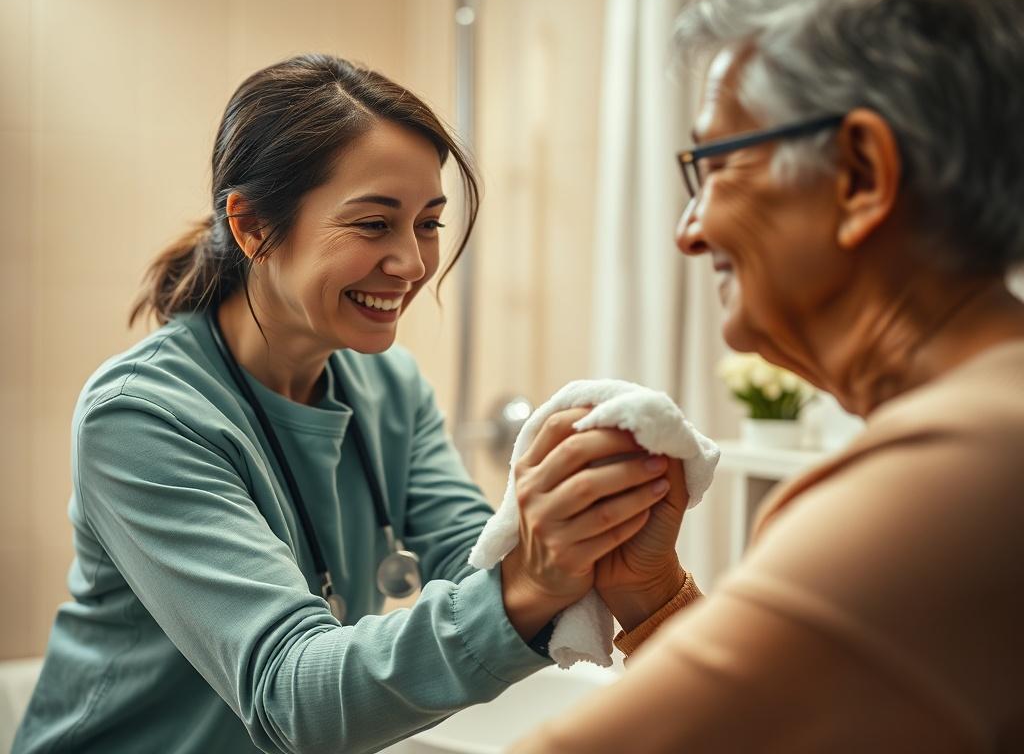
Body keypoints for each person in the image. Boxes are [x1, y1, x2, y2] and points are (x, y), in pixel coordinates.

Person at [12, 54, 687, 754]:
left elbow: (475, 558)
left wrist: (590, 516)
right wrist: (530, 581)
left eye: (428, 223)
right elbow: (290, 696)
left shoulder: (391, 388)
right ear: (251, 228)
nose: (411, 262)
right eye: (373, 225)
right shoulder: (142, 417)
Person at [513, 0, 1024, 751]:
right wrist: (653, 600)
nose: (688, 231)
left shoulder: (965, 464)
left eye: (714, 166)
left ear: (859, 174)